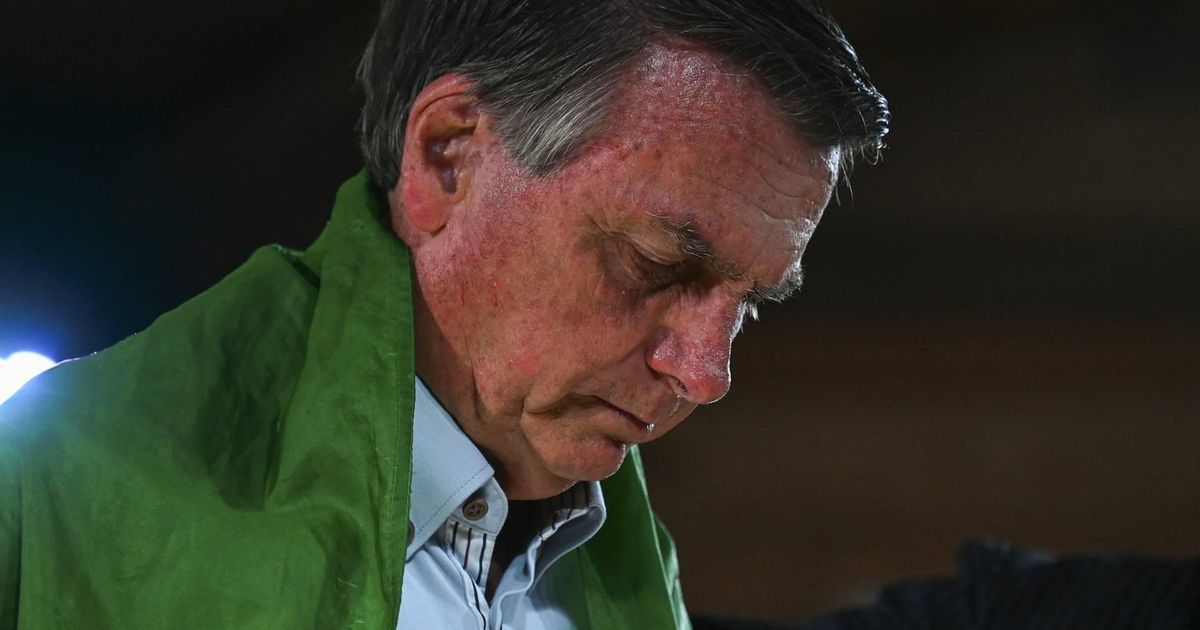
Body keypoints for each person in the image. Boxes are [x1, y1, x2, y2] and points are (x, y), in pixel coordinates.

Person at [0, 1, 888, 628]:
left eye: (748, 305)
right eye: (655, 263)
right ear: (447, 156)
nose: (706, 372)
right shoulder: (56, 499)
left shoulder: (630, 566)